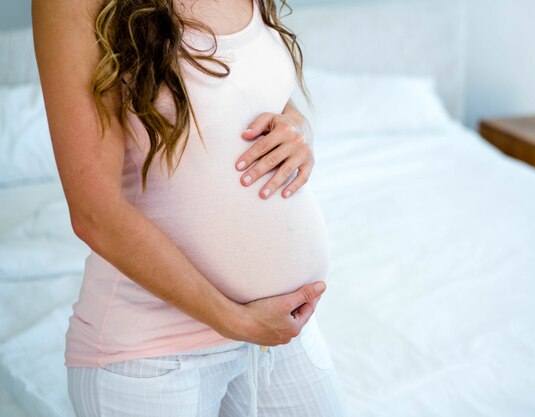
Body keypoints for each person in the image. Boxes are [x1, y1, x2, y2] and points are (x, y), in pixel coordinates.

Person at [31, 0, 348, 415]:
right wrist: (235, 319)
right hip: (151, 354)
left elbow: (245, 93)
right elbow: (95, 213)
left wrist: (297, 128)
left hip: (277, 334)